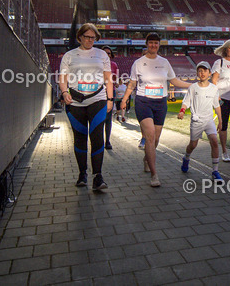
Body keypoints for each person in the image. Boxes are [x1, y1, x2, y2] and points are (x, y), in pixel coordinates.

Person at [120, 33, 191, 187]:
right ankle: (154, 174)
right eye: (151, 42)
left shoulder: (164, 62)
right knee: (150, 136)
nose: (153, 45)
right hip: (143, 102)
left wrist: (192, 85)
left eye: (156, 43)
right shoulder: (138, 63)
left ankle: (147, 159)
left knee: (156, 139)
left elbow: (174, 80)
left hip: (160, 103)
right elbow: (132, 84)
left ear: (159, 45)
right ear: (146, 44)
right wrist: (124, 100)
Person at [58, 23, 114, 192]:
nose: (90, 40)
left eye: (93, 37)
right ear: (79, 37)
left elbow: (108, 79)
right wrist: (64, 92)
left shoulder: (102, 54)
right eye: (87, 37)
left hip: (98, 100)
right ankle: (82, 174)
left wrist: (110, 99)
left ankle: (98, 176)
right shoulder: (69, 56)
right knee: (80, 138)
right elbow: (63, 78)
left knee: (97, 137)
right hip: (75, 102)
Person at [177, 61, 224, 181]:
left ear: (209, 73)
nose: (202, 73)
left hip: (209, 120)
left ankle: (215, 171)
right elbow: (186, 101)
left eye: (204, 70)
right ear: (197, 73)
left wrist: (220, 120)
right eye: (200, 71)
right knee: (193, 145)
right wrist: (182, 111)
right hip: (196, 121)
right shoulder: (193, 88)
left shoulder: (214, 88)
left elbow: (216, 105)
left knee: (214, 141)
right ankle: (186, 158)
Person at [99, 46, 118, 149]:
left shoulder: (114, 65)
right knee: (99, 117)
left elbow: (115, 79)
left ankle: (107, 141)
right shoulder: (97, 64)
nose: (107, 55)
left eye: (109, 53)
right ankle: (99, 141)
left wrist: (115, 82)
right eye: (105, 53)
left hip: (110, 92)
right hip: (98, 92)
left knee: (108, 117)